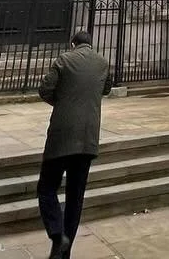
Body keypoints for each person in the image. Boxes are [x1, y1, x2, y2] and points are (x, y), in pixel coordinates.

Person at [37, 29, 112, 259]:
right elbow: (106, 89)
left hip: (62, 136)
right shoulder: (102, 63)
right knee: (75, 197)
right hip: (88, 138)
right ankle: (65, 252)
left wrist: (62, 102)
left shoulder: (64, 59)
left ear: (73, 44)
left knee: (46, 188)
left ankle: (58, 235)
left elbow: (45, 90)